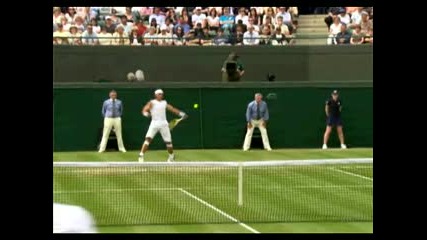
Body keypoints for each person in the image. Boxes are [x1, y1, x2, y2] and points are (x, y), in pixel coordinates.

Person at [139, 89, 187, 162]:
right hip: (154, 124)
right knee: (148, 139)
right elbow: (144, 110)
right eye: (159, 94)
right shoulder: (152, 102)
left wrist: (181, 114)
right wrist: (146, 114)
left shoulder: (164, 103)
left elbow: (172, 109)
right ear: (155, 95)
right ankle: (141, 156)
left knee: (168, 142)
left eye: (161, 94)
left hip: (164, 124)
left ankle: (171, 157)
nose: (161, 95)